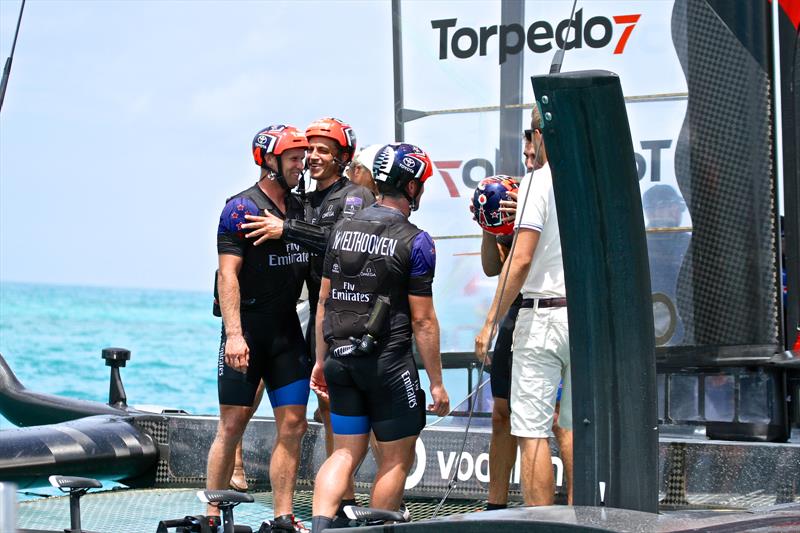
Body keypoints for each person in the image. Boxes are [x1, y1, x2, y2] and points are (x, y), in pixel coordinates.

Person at [309, 143, 450, 532]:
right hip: (387, 363)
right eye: (420, 184)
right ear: (409, 188)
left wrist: (320, 361)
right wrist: (437, 383)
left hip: (339, 357)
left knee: (344, 453)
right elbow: (423, 320)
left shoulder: (341, 228)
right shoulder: (417, 240)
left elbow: (324, 300)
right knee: (395, 459)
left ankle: (321, 526)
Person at [241, 117, 374, 522]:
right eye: (308, 150)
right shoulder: (300, 197)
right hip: (305, 309)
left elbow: (341, 242)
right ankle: (234, 465)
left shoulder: (355, 196)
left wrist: (287, 229)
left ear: (342, 157)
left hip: (341, 311)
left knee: (333, 404)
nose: (312, 157)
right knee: (265, 381)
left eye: (322, 150)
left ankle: (344, 497)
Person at [208, 125, 311, 532]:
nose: (301, 165)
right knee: (232, 426)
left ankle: (283, 517)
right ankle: (212, 515)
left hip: (287, 333)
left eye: (302, 158)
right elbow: (227, 276)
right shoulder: (239, 208)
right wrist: (233, 335)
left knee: (293, 425)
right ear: (269, 162)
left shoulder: (300, 210)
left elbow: (329, 242)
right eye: (293, 159)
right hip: (247, 331)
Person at [475, 106, 573, 507]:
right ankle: (580, 519)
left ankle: (545, 526)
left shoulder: (536, 183)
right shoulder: (590, 183)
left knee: (533, 432)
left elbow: (521, 260)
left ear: (540, 134)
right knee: (574, 427)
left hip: (543, 316)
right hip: (585, 318)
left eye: (532, 137)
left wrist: (489, 322)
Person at [642, 184, 690, 346]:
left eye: (677, 206)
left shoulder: (686, 242)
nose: (676, 211)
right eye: (669, 205)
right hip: (657, 329)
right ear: (650, 212)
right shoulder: (641, 245)